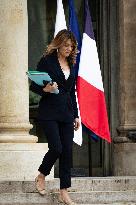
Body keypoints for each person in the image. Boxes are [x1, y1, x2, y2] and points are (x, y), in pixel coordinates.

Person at [30, 29, 80, 205]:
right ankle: (41, 175)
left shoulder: (71, 63)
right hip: (49, 112)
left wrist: (76, 115)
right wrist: (46, 89)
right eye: (66, 45)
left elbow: (71, 92)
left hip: (67, 113)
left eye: (71, 45)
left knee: (67, 152)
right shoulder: (46, 62)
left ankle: (64, 192)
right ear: (58, 45)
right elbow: (34, 86)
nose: (69, 48)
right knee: (57, 148)